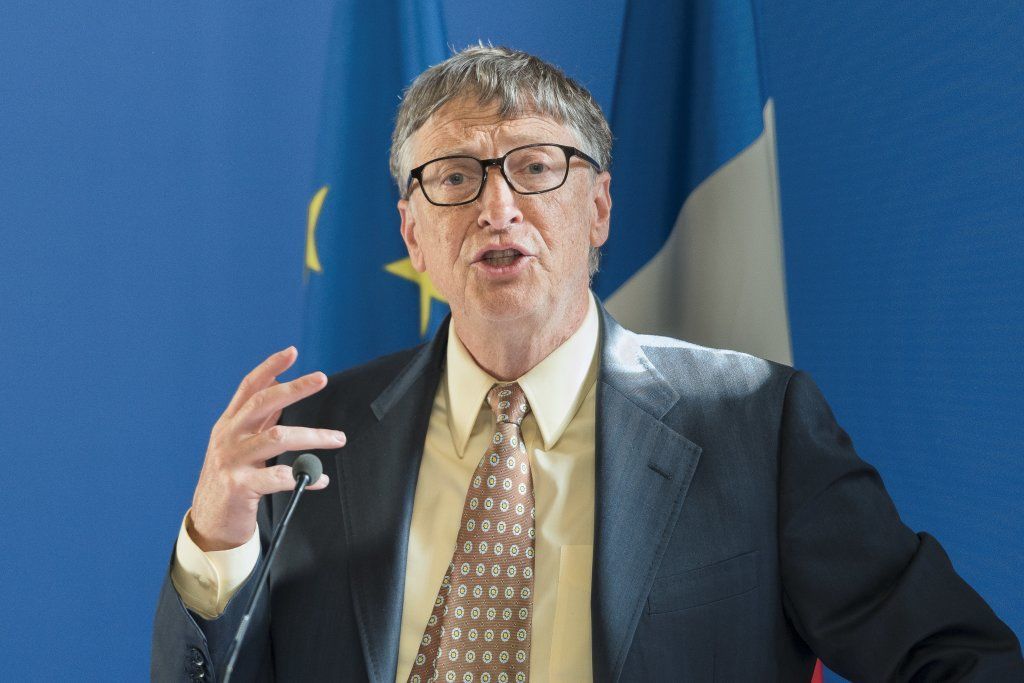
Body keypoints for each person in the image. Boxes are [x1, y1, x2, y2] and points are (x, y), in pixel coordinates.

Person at [151, 46, 1023, 682]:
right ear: (413, 233)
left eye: (535, 167)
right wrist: (213, 542)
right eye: (454, 177)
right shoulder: (313, 444)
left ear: (598, 207)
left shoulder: (758, 423)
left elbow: (958, 659)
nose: (498, 207)